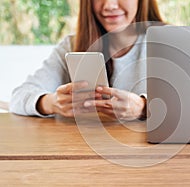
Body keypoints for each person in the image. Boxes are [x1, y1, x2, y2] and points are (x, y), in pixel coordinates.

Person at [10, 0, 164, 121]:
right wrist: (52, 103)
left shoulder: (168, 41)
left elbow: (187, 108)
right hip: (85, 151)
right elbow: (18, 97)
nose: (109, 5)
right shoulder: (71, 46)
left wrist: (143, 108)